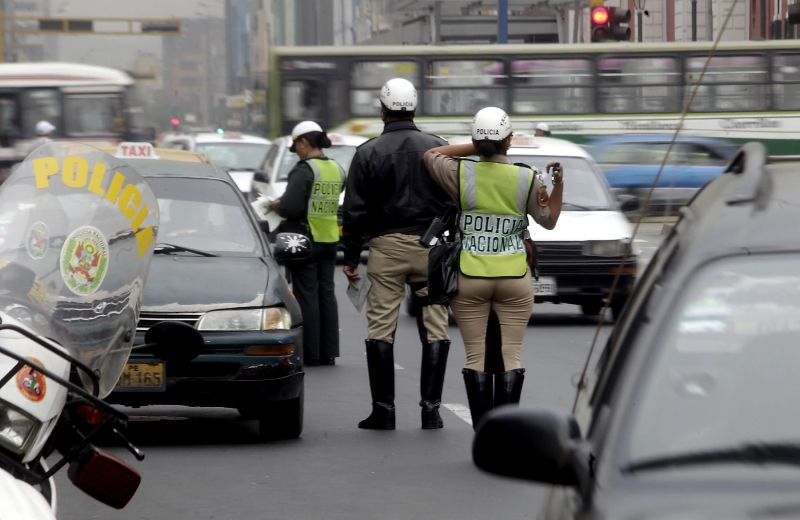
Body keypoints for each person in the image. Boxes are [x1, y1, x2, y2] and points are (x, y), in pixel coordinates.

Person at [423, 106, 564, 430]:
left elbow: (431, 154)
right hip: (514, 277)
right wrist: (559, 184)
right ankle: (507, 429)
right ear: (509, 141)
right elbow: (550, 220)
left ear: (476, 140)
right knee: (511, 354)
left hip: (471, 276)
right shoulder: (526, 178)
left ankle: (483, 429)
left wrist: (477, 146)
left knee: (476, 357)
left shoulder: (460, 173)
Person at [341, 77, 453, 430]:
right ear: (415, 107)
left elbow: (355, 212)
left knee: (381, 328)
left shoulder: (367, 152)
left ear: (383, 109)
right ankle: (431, 411)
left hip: (386, 249)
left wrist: (350, 256)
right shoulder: (438, 148)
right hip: (430, 248)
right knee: (435, 328)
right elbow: (454, 200)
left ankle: (384, 411)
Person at [270, 120, 345, 366]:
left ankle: (311, 353)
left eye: (297, 146)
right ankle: (328, 352)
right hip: (330, 239)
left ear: (304, 142)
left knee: (306, 295)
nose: (297, 152)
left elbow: (291, 207)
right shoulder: (336, 168)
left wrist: (275, 205)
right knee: (327, 294)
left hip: (306, 240)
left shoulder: (304, 170)